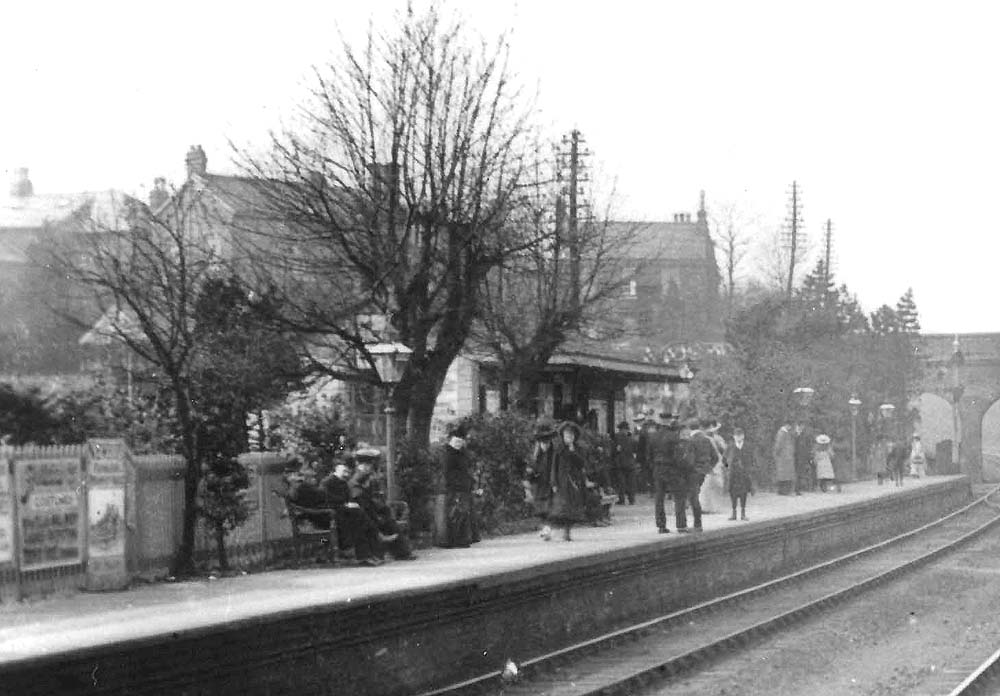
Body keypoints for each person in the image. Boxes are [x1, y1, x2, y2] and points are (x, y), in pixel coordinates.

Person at [348, 453, 415, 561]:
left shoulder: (367, 480)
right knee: (378, 521)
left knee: (389, 521)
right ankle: (384, 549)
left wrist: (381, 509)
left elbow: (373, 498)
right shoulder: (355, 482)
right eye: (366, 466)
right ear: (360, 466)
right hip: (363, 514)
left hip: (371, 511)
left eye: (369, 466)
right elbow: (360, 500)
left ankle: (402, 552)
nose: (369, 469)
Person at [321, 462, 381, 566]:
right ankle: (366, 554)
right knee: (360, 517)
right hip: (332, 514)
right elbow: (326, 499)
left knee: (360, 519)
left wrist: (350, 503)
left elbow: (348, 497)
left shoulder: (344, 483)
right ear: (336, 471)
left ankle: (368, 555)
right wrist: (345, 504)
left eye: (347, 471)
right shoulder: (327, 482)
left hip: (346, 512)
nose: (346, 473)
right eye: (343, 471)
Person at [548, 421, 588, 541]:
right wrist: (553, 482)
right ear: (563, 436)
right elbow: (554, 467)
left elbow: (581, 464)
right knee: (561, 509)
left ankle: (567, 531)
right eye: (567, 435)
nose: (569, 438)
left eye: (571, 435)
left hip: (574, 483)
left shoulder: (578, 449)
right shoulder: (558, 450)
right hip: (561, 482)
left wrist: (572, 452)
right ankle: (557, 531)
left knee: (572, 509)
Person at [442, 426, 477, 548]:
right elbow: (448, 472)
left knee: (463, 513)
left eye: (460, 442)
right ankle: (454, 539)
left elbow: (466, 469)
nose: (458, 444)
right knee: (456, 513)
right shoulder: (449, 454)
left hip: (463, 486)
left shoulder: (462, 453)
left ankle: (462, 538)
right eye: (456, 442)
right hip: (454, 487)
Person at [649, 413, 683, 533]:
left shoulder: (653, 436)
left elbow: (648, 454)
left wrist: (653, 465)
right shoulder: (674, 436)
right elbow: (678, 455)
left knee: (659, 497)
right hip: (671, 468)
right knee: (678, 496)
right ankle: (681, 524)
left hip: (657, 468)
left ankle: (661, 525)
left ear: (660, 420)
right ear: (669, 421)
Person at [525, 423, 557, 540]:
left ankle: (548, 529)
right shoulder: (535, 456)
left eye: (547, 443)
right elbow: (529, 470)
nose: (545, 446)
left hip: (550, 484)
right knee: (540, 509)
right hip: (538, 485)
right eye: (543, 443)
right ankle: (546, 528)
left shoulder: (554, 454)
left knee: (549, 507)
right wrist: (529, 481)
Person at [675, 420, 703, 532]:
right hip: (692, 475)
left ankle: (681, 525)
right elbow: (699, 459)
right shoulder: (694, 443)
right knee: (694, 500)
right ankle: (698, 524)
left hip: (680, 475)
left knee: (680, 501)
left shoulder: (676, 445)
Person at [724, 427, 754, 521]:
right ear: (733, 437)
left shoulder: (748, 446)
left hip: (744, 474)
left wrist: (749, 469)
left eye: (740, 435)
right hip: (733, 474)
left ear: (743, 436)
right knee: (733, 493)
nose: (738, 437)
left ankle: (743, 513)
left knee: (743, 493)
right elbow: (724, 459)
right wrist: (727, 467)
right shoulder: (730, 446)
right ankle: (733, 513)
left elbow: (752, 459)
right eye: (736, 436)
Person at [700, 419, 729, 513]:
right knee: (706, 485)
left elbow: (724, 451)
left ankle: (713, 507)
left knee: (716, 485)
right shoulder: (704, 438)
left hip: (716, 463)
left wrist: (726, 464)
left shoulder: (717, 438)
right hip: (708, 463)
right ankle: (705, 507)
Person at [612, 422, 638, 505]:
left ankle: (622, 499)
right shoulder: (632, 438)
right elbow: (635, 450)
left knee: (621, 483)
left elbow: (614, 450)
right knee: (631, 483)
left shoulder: (617, 437)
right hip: (631, 463)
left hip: (620, 463)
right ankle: (632, 499)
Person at [773, 421, 796, 495]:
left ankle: (784, 491)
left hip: (786, 457)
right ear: (786, 425)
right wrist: (777, 454)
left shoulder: (786, 433)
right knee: (783, 475)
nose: (790, 428)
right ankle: (782, 491)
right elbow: (778, 445)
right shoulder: (781, 433)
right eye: (790, 426)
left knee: (786, 475)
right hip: (783, 457)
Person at [793, 422, 814, 493]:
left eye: (803, 426)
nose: (802, 428)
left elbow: (807, 446)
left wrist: (809, 456)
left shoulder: (804, 435)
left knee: (801, 473)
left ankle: (799, 488)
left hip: (803, 457)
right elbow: (794, 446)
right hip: (796, 457)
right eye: (801, 426)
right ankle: (796, 489)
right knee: (797, 473)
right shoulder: (794, 435)